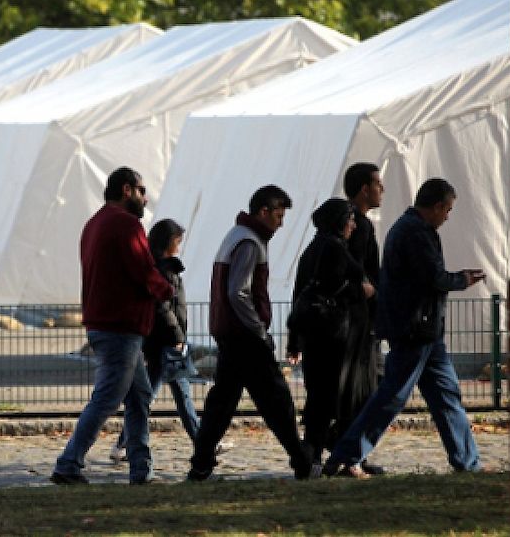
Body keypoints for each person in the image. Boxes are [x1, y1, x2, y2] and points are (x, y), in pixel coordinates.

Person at [322, 178, 486, 478]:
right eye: (447, 210)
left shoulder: (408, 228)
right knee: (393, 396)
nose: (448, 217)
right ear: (436, 207)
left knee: (446, 395)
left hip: (423, 329)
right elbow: (433, 277)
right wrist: (462, 279)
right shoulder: (416, 233)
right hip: (415, 328)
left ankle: (467, 461)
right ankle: (346, 456)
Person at [50, 167, 173, 485]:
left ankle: (140, 469)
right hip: (121, 325)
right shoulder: (126, 224)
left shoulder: (94, 223)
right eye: (142, 190)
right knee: (108, 398)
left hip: (105, 323)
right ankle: (69, 463)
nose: (145, 198)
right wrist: (166, 287)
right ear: (127, 189)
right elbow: (143, 272)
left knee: (139, 395)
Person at [187, 185, 318, 481]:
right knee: (276, 398)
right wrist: (259, 329)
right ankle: (300, 459)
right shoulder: (250, 242)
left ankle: (201, 463)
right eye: (279, 216)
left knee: (222, 401)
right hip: (245, 335)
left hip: (229, 332)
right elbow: (239, 292)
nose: (281, 223)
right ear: (264, 212)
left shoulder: (235, 236)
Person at [110, 219, 230, 462]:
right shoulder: (163, 270)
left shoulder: (162, 267)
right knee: (149, 396)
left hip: (167, 342)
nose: (179, 246)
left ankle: (202, 443)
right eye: (177, 241)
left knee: (181, 394)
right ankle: (124, 443)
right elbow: (164, 306)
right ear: (168, 242)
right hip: (166, 343)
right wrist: (177, 335)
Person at [286, 198, 374, 470]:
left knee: (319, 397)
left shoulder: (312, 249)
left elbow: (300, 295)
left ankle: (317, 455)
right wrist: (362, 290)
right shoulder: (334, 248)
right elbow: (334, 284)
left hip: (315, 335)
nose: (353, 224)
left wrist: (294, 340)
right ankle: (333, 456)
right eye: (349, 219)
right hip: (335, 336)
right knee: (334, 398)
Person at [339, 162, 386, 475]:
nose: (382, 190)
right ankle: (350, 453)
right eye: (377, 184)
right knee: (361, 388)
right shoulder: (360, 226)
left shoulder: (354, 222)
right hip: (358, 319)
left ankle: (351, 452)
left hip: (357, 318)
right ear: (364, 190)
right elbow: (354, 269)